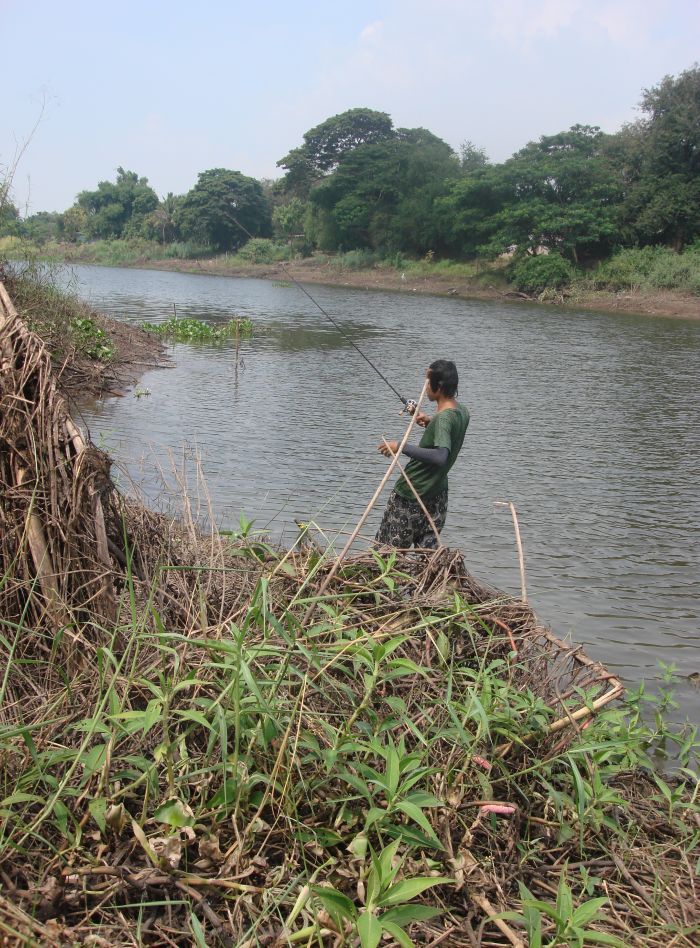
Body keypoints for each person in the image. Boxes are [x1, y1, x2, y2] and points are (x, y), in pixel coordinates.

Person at [375, 360, 469, 549]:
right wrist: (430, 421)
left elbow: (440, 456)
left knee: (386, 554)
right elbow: (446, 424)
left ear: (439, 386)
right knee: (428, 555)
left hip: (411, 495)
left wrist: (400, 446)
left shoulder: (443, 419)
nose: (425, 387)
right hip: (437, 496)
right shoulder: (461, 412)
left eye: (428, 381)